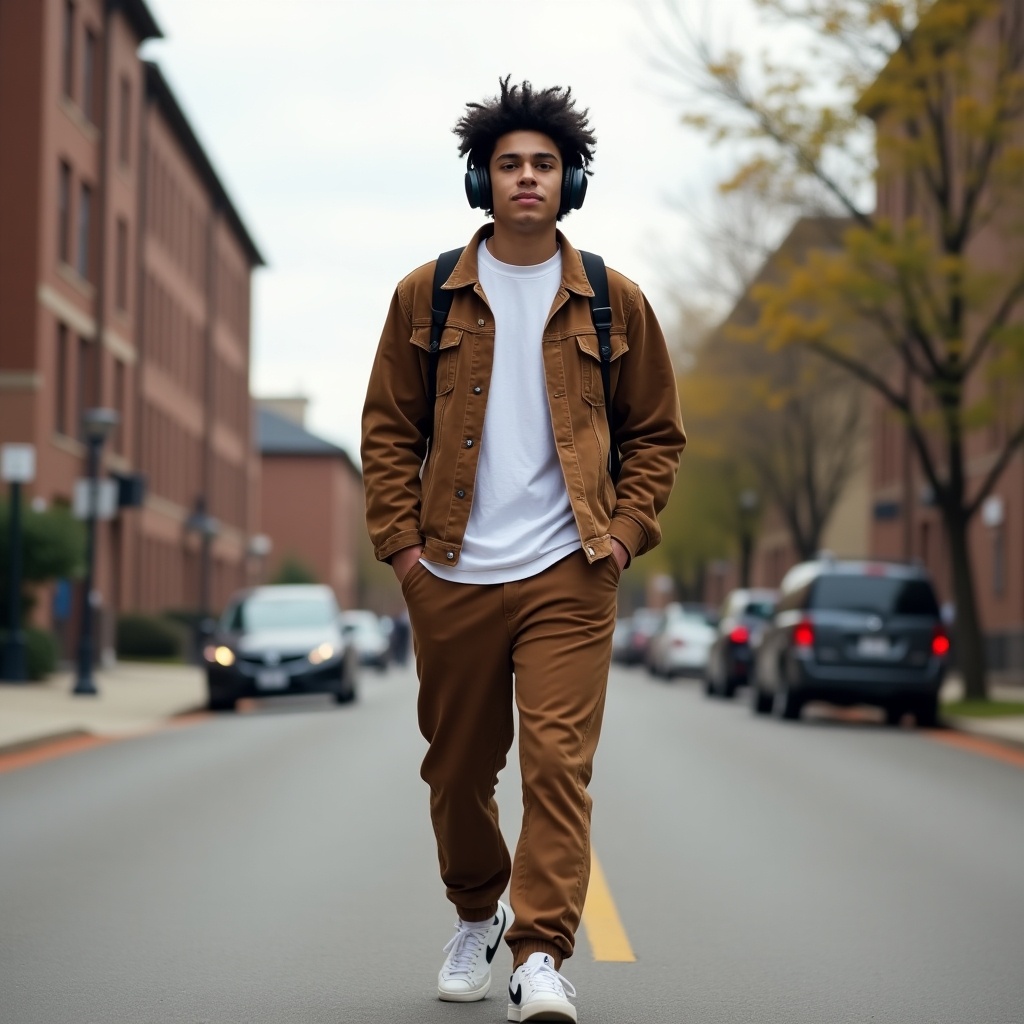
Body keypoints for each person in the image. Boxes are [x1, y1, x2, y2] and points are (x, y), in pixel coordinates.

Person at [361, 77, 685, 1023]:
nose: (528, 179)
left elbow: (656, 435)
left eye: (545, 164)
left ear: (570, 179)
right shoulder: (424, 297)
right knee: (458, 770)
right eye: (510, 165)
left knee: (557, 765)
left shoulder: (610, 303)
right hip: (451, 572)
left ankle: (540, 955)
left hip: (570, 572)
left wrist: (623, 539)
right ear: (481, 180)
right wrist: (406, 556)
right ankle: (477, 912)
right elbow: (388, 431)